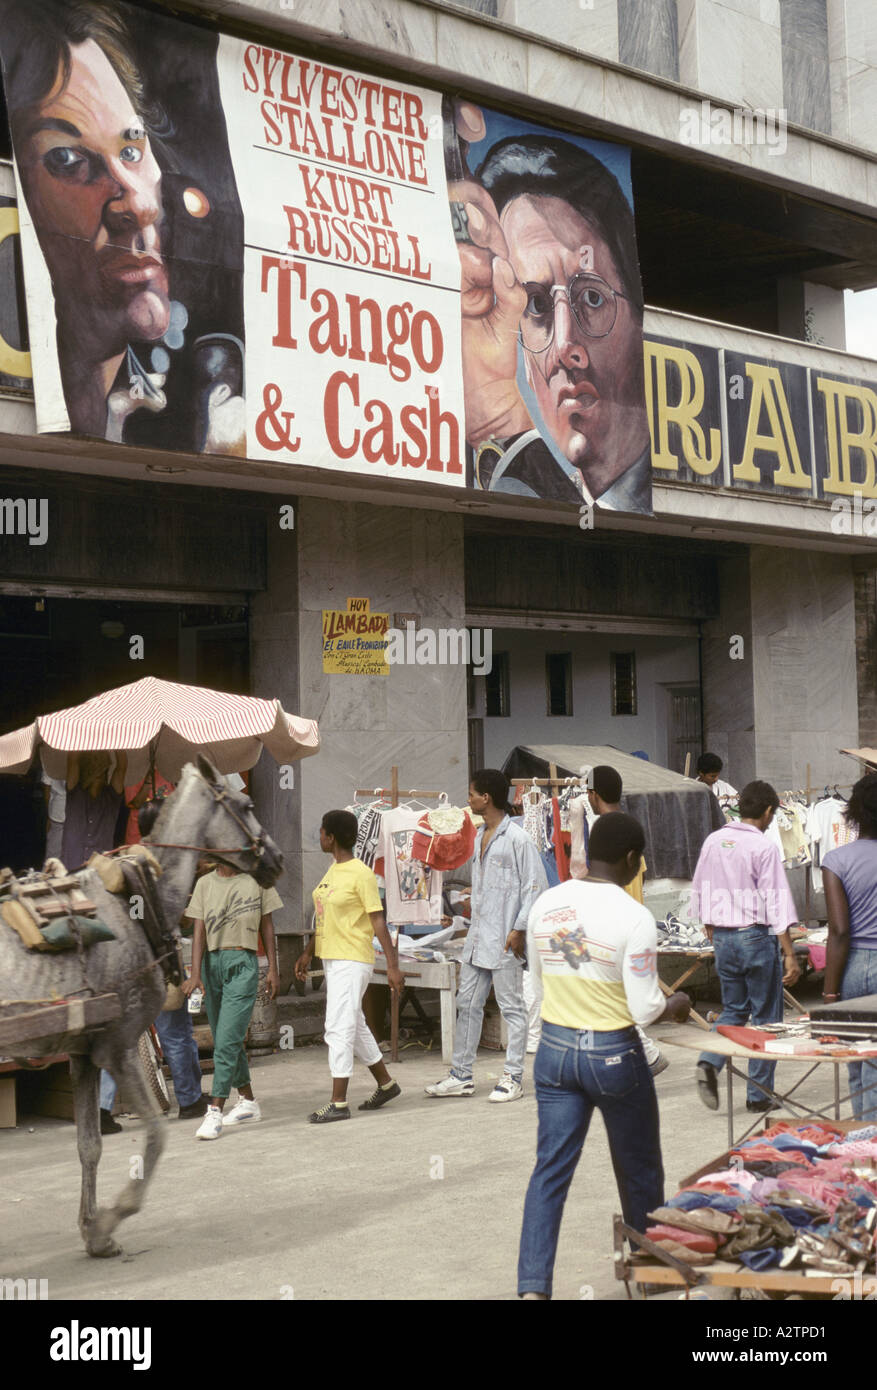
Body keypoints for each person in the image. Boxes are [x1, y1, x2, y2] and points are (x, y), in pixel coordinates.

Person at [517, 813, 690, 1299]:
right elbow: (643, 1008)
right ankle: (649, 1271)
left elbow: (538, 983)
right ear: (634, 860)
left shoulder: (548, 902)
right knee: (638, 1167)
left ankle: (532, 1289)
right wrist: (673, 1005)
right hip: (612, 1053)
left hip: (554, 1049)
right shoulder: (635, 916)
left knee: (549, 1172)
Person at [446, 106, 649, 511]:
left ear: (639, 318)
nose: (564, 347)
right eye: (537, 304)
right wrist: (496, 420)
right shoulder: (565, 493)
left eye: (592, 298)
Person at [425, 769, 548, 1103]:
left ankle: (512, 1077)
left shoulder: (518, 838)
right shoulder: (479, 836)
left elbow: (535, 887)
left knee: (512, 1007)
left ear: (486, 798)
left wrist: (518, 928)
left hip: (506, 938)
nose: (468, 799)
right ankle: (461, 1076)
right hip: (478, 938)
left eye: (471, 794)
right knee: (467, 1004)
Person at [693, 780, 801, 1114]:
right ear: (768, 811)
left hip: (723, 936)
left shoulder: (715, 839)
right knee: (768, 1017)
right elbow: (776, 901)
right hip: (755, 935)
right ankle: (758, 1095)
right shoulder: (763, 847)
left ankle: (710, 1060)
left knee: (734, 1008)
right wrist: (789, 954)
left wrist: (710, 926)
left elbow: (700, 886)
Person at [294, 810, 403, 1123]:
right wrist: (307, 952)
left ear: (331, 837)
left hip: (353, 959)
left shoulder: (361, 873)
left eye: (321, 832)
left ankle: (338, 1103)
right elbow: (327, 916)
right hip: (332, 957)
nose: (319, 837)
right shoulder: (333, 871)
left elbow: (377, 919)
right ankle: (386, 1084)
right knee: (353, 1024)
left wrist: (393, 966)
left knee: (338, 1028)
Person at [182, 854, 281, 1139]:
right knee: (225, 1035)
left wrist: (274, 969)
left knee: (226, 1040)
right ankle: (248, 1101)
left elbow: (268, 926)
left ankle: (214, 1110)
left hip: (243, 964)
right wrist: (196, 973)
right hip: (212, 966)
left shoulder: (259, 879)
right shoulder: (204, 883)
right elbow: (198, 931)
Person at [577, 764, 667, 1077]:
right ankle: (645, 1055)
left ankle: (647, 1055)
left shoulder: (601, 831)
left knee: (611, 997)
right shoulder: (628, 826)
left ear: (591, 794)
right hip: (631, 921)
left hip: (612, 925)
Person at [138, 799, 207, 1121]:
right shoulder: (160, 865)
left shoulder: (131, 859)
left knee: (125, 1037)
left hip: (136, 959)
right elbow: (171, 917)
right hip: (162, 959)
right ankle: (190, 1100)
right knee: (177, 1033)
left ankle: (102, 1111)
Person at [823, 773, 877, 1120]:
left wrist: (829, 994)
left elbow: (839, 931)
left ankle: (863, 1146)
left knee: (857, 1061)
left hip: (855, 968)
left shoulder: (836, 860)